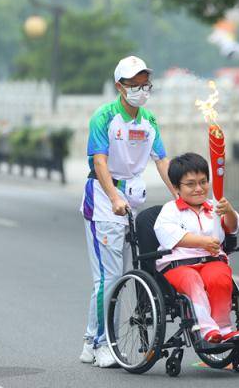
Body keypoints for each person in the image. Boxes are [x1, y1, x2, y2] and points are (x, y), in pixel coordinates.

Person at [79, 55, 176, 367]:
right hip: (105, 200)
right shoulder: (104, 117)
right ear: (120, 86)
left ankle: (90, 342)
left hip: (132, 199)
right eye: (134, 84)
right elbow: (100, 161)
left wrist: (180, 196)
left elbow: (161, 160)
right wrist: (114, 196)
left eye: (145, 83)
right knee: (108, 277)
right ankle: (102, 342)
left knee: (136, 268)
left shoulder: (149, 120)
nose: (141, 89)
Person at [154, 152, 239, 343]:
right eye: (190, 184)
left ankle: (223, 327)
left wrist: (228, 211)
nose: (198, 188)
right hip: (178, 266)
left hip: (211, 261)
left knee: (220, 278)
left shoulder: (215, 206)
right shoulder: (169, 210)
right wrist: (202, 242)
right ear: (176, 187)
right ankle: (207, 330)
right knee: (192, 280)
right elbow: (170, 235)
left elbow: (231, 227)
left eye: (203, 182)